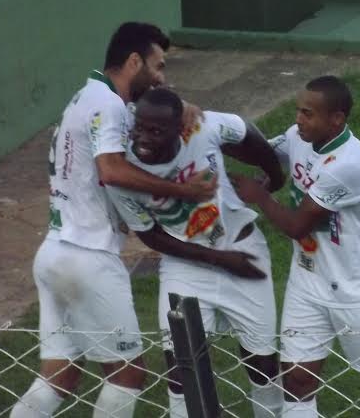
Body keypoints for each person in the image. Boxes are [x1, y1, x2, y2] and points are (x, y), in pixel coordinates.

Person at [11, 23, 217, 418]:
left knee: (59, 376)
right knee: (127, 375)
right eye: (158, 66)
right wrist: (184, 190)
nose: (161, 77)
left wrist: (178, 105)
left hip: (55, 253)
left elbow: (135, 123)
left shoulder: (87, 96)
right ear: (134, 61)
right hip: (89, 258)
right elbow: (112, 170)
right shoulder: (108, 105)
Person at [231, 76, 360, 418]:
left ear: (336, 120)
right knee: (297, 381)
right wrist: (212, 133)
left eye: (308, 113)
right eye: (298, 110)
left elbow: (297, 226)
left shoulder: (348, 164)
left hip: (356, 289)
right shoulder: (299, 136)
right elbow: (261, 152)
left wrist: (260, 196)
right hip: (308, 281)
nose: (298, 119)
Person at [105, 87, 286, 418]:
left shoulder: (201, 129)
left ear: (179, 129)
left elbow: (245, 132)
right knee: (181, 371)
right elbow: (151, 235)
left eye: (155, 131)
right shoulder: (123, 172)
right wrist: (220, 260)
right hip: (185, 266)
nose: (143, 138)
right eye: (139, 128)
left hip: (243, 250)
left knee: (262, 366)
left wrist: (274, 178)